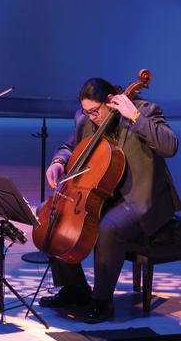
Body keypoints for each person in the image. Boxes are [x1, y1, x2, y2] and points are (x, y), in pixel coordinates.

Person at [39, 77, 180, 323]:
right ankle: (75, 289)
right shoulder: (85, 119)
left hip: (140, 198)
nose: (91, 117)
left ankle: (102, 301)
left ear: (109, 101)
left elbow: (170, 146)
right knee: (52, 214)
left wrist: (135, 116)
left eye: (95, 111)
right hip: (105, 194)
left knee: (108, 227)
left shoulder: (145, 111)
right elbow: (68, 146)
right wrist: (58, 162)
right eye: (86, 112)